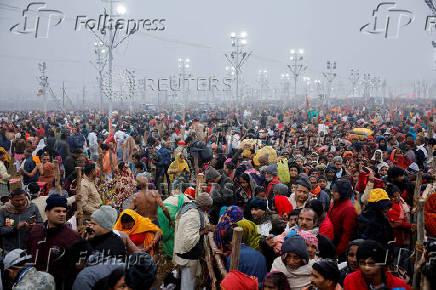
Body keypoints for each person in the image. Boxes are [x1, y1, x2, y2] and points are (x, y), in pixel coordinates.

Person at [27, 194, 81, 289]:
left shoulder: (73, 237)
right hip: (33, 285)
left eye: (64, 211)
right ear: (47, 212)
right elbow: (28, 256)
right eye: (57, 211)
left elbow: (75, 270)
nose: (62, 214)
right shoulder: (35, 231)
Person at [173, 192, 213, 290]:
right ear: (203, 205)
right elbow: (188, 240)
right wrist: (203, 231)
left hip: (186, 254)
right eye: (207, 207)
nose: (207, 210)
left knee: (185, 281)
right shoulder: (193, 215)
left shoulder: (192, 209)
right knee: (187, 285)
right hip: (187, 256)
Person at [343, 240, 410, 290]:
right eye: (362, 263)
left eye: (371, 263)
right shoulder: (351, 280)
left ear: (382, 264)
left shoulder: (398, 285)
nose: (366, 268)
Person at [0, 188, 42, 253]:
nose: (20, 202)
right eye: (17, 200)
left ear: (26, 197)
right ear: (11, 199)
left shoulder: (32, 207)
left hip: (29, 249)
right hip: (10, 251)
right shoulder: (3, 210)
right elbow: (1, 230)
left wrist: (34, 226)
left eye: (22, 199)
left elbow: (41, 225)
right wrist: (15, 228)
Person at [327, 179, 357, 258]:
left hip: (340, 247)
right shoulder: (335, 202)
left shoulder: (349, 209)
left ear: (342, 192)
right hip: (332, 242)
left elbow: (347, 234)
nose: (332, 193)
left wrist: (338, 252)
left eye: (335, 191)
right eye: (332, 190)